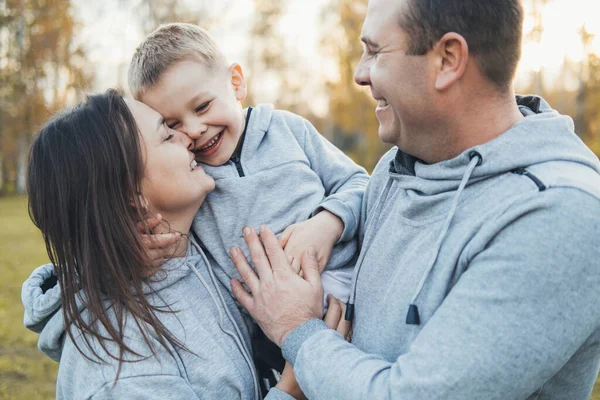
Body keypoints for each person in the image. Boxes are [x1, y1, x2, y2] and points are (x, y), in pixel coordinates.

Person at [228, 0, 600, 399]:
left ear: (448, 59)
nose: (359, 73)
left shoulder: (558, 215)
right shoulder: (399, 168)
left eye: (374, 51)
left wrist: (296, 331)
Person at [22, 89, 351, 399]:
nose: (188, 136)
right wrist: (293, 389)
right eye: (167, 133)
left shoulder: (191, 254)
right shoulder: (117, 374)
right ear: (131, 195)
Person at [127, 23, 369, 310]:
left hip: (355, 284)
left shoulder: (287, 130)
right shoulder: (190, 184)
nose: (193, 129)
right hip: (269, 330)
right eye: (172, 124)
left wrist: (328, 223)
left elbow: (360, 183)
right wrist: (134, 250)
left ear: (236, 82)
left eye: (202, 106)